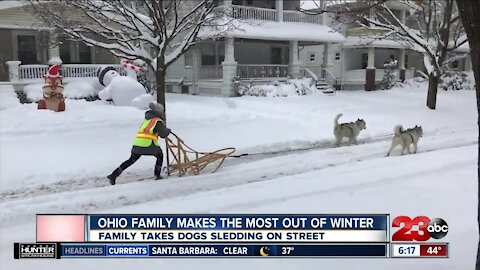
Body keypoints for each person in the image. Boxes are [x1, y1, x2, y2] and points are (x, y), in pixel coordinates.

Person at [107, 102, 171, 185]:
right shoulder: (157, 121)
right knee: (160, 155)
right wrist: (168, 131)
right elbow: (163, 134)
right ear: (159, 112)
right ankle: (157, 175)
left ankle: (113, 175)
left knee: (130, 160)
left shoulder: (147, 120)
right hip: (148, 145)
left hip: (137, 144)